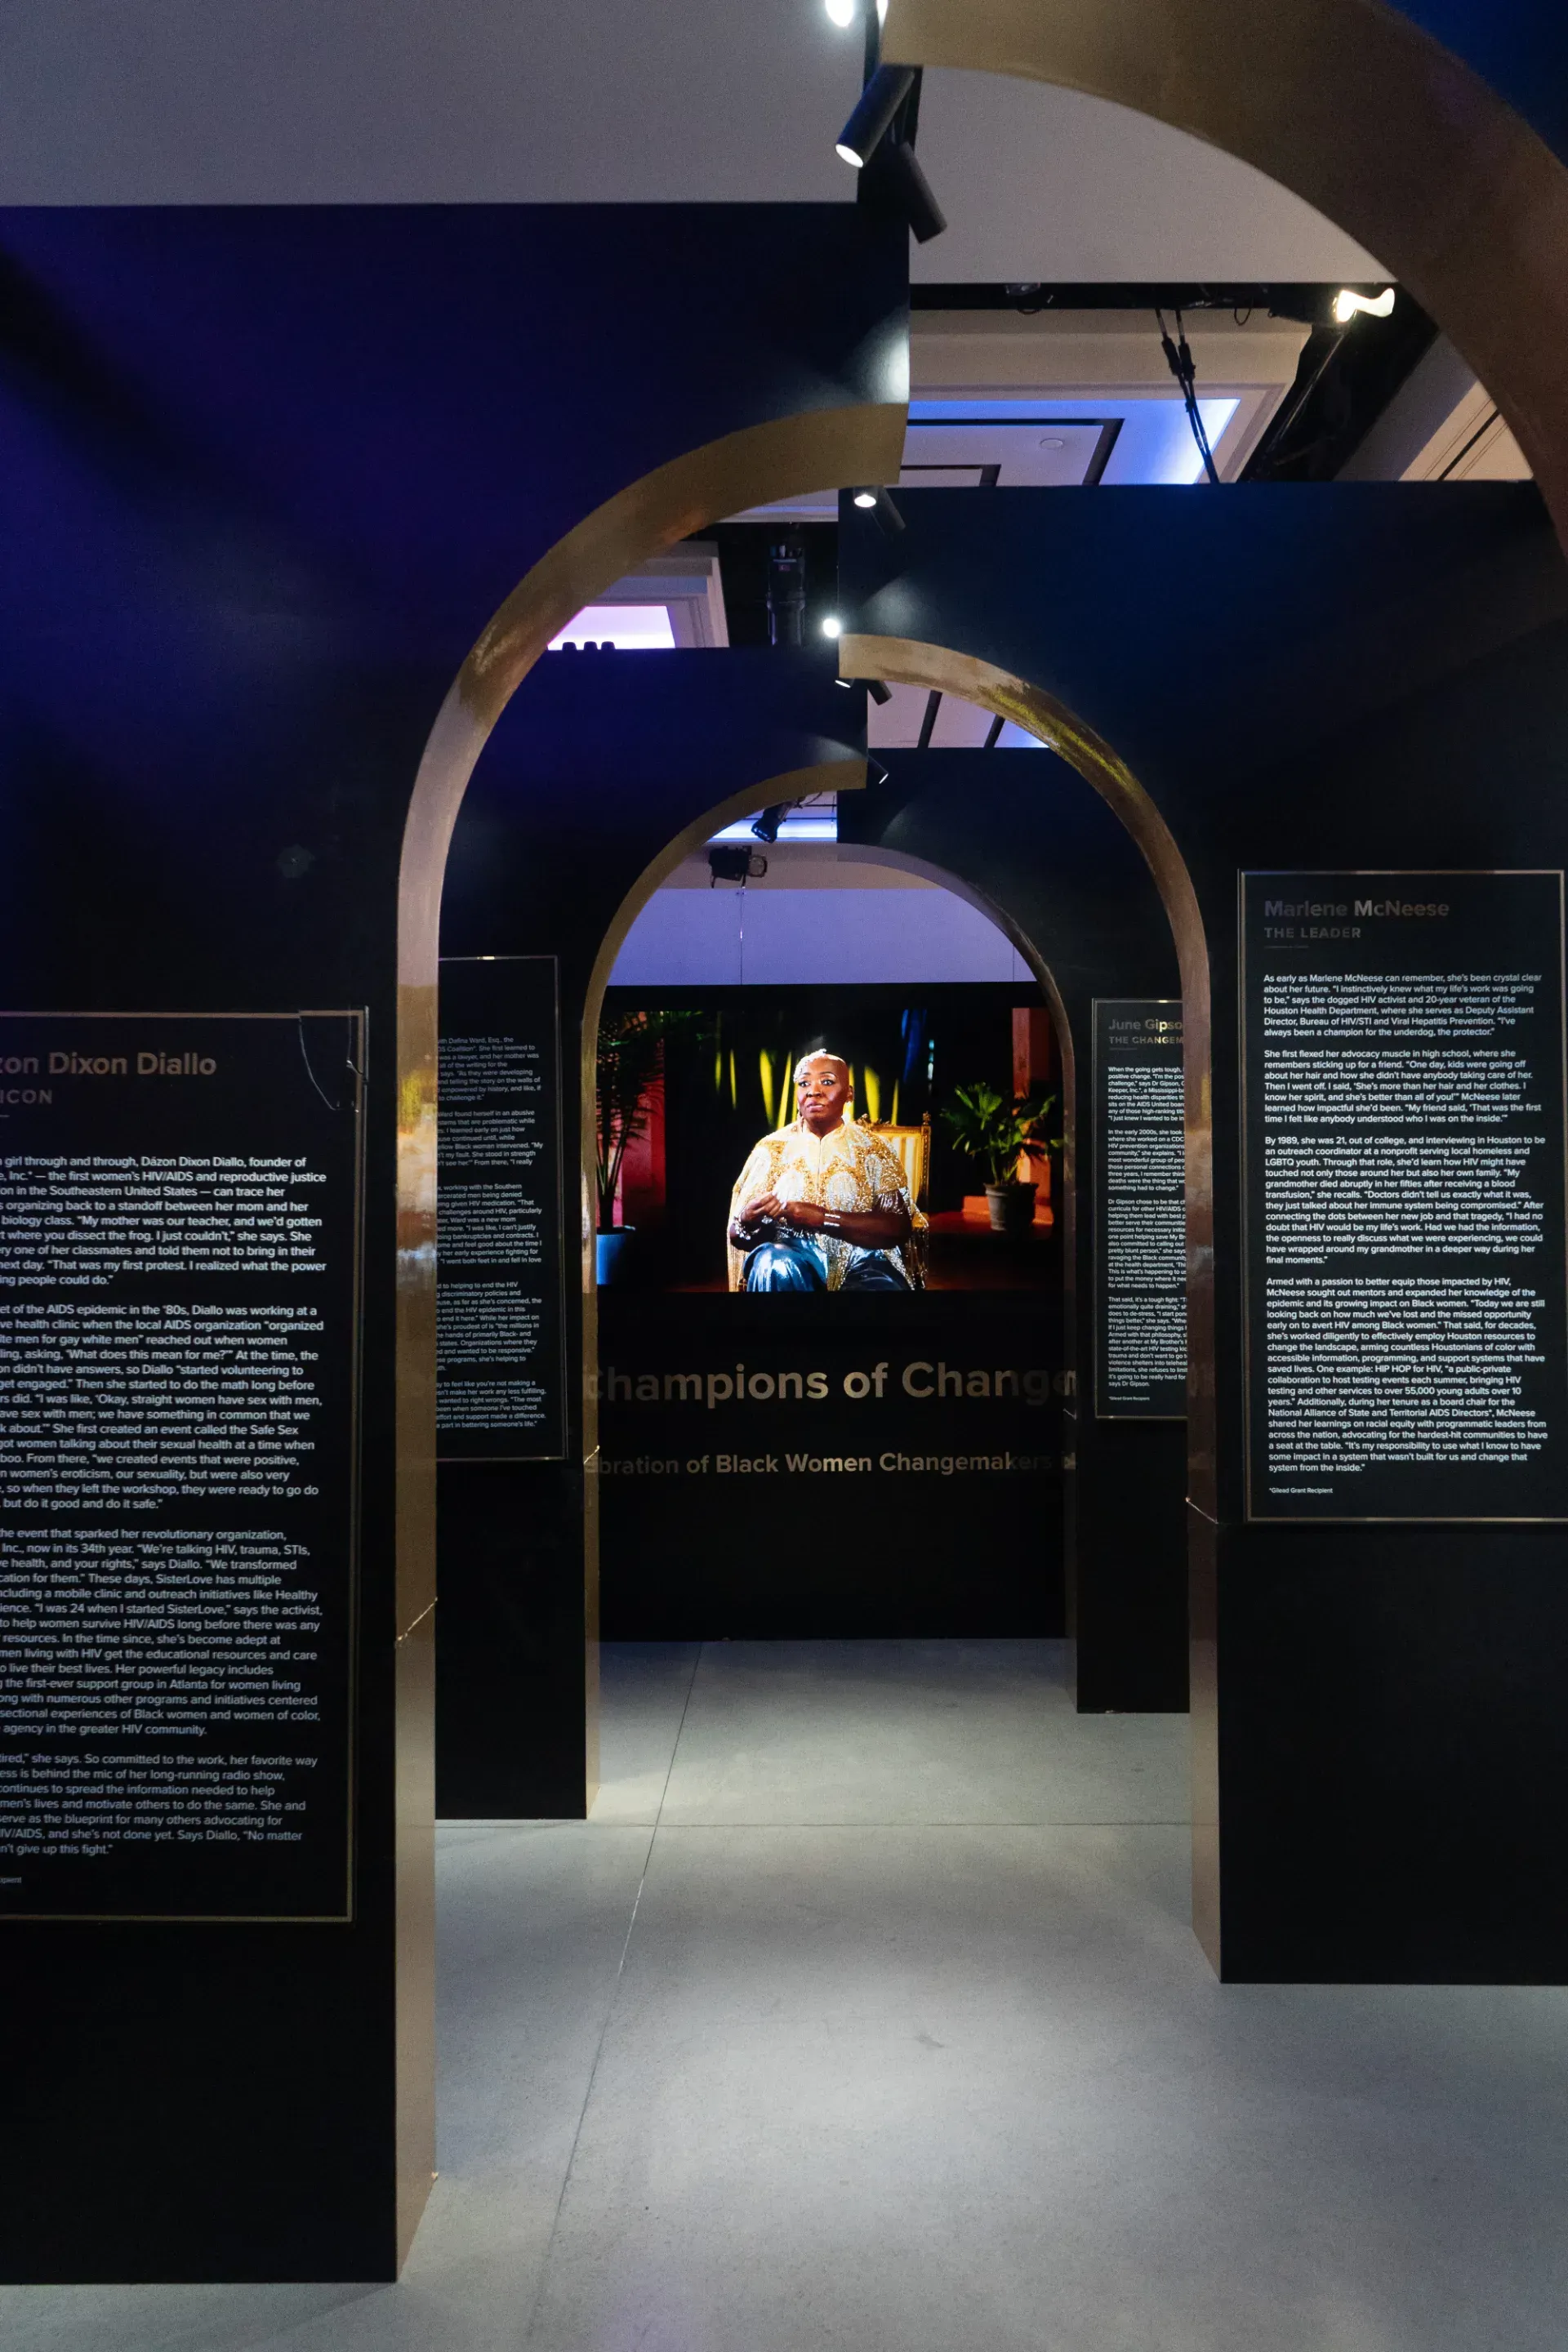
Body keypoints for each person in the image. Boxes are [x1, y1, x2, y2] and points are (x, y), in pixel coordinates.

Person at [727, 1051, 924, 1291]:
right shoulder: (771, 1149)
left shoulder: (874, 1149)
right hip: (790, 1255)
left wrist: (823, 1218)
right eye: (804, 1083)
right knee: (773, 1263)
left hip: (863, 1261)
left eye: (827, 1081)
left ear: (849, 1093)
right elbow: (736, 1235)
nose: (813, 1091)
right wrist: (748, 1219)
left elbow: (898, 1227)